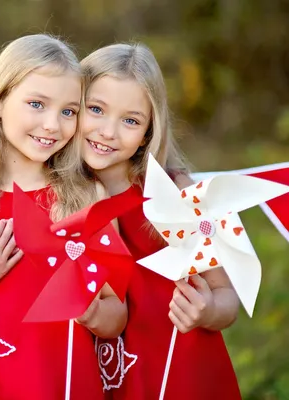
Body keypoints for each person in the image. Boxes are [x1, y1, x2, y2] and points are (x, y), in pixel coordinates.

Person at [0, 34, 126, 399]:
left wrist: (90, 312)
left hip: (57, 385)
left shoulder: (84, 199)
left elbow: (116, 315)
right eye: (37, 104)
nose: (52, 124)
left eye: (68, 111)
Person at [75, 42, 242, 399]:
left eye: (130, 121)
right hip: (97, 374)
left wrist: (207, 310)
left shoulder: (175, 195)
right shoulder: (56, 197)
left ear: (149, 132)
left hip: (180, 374)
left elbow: (228, 297)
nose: (108, 131)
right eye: (96, 109)